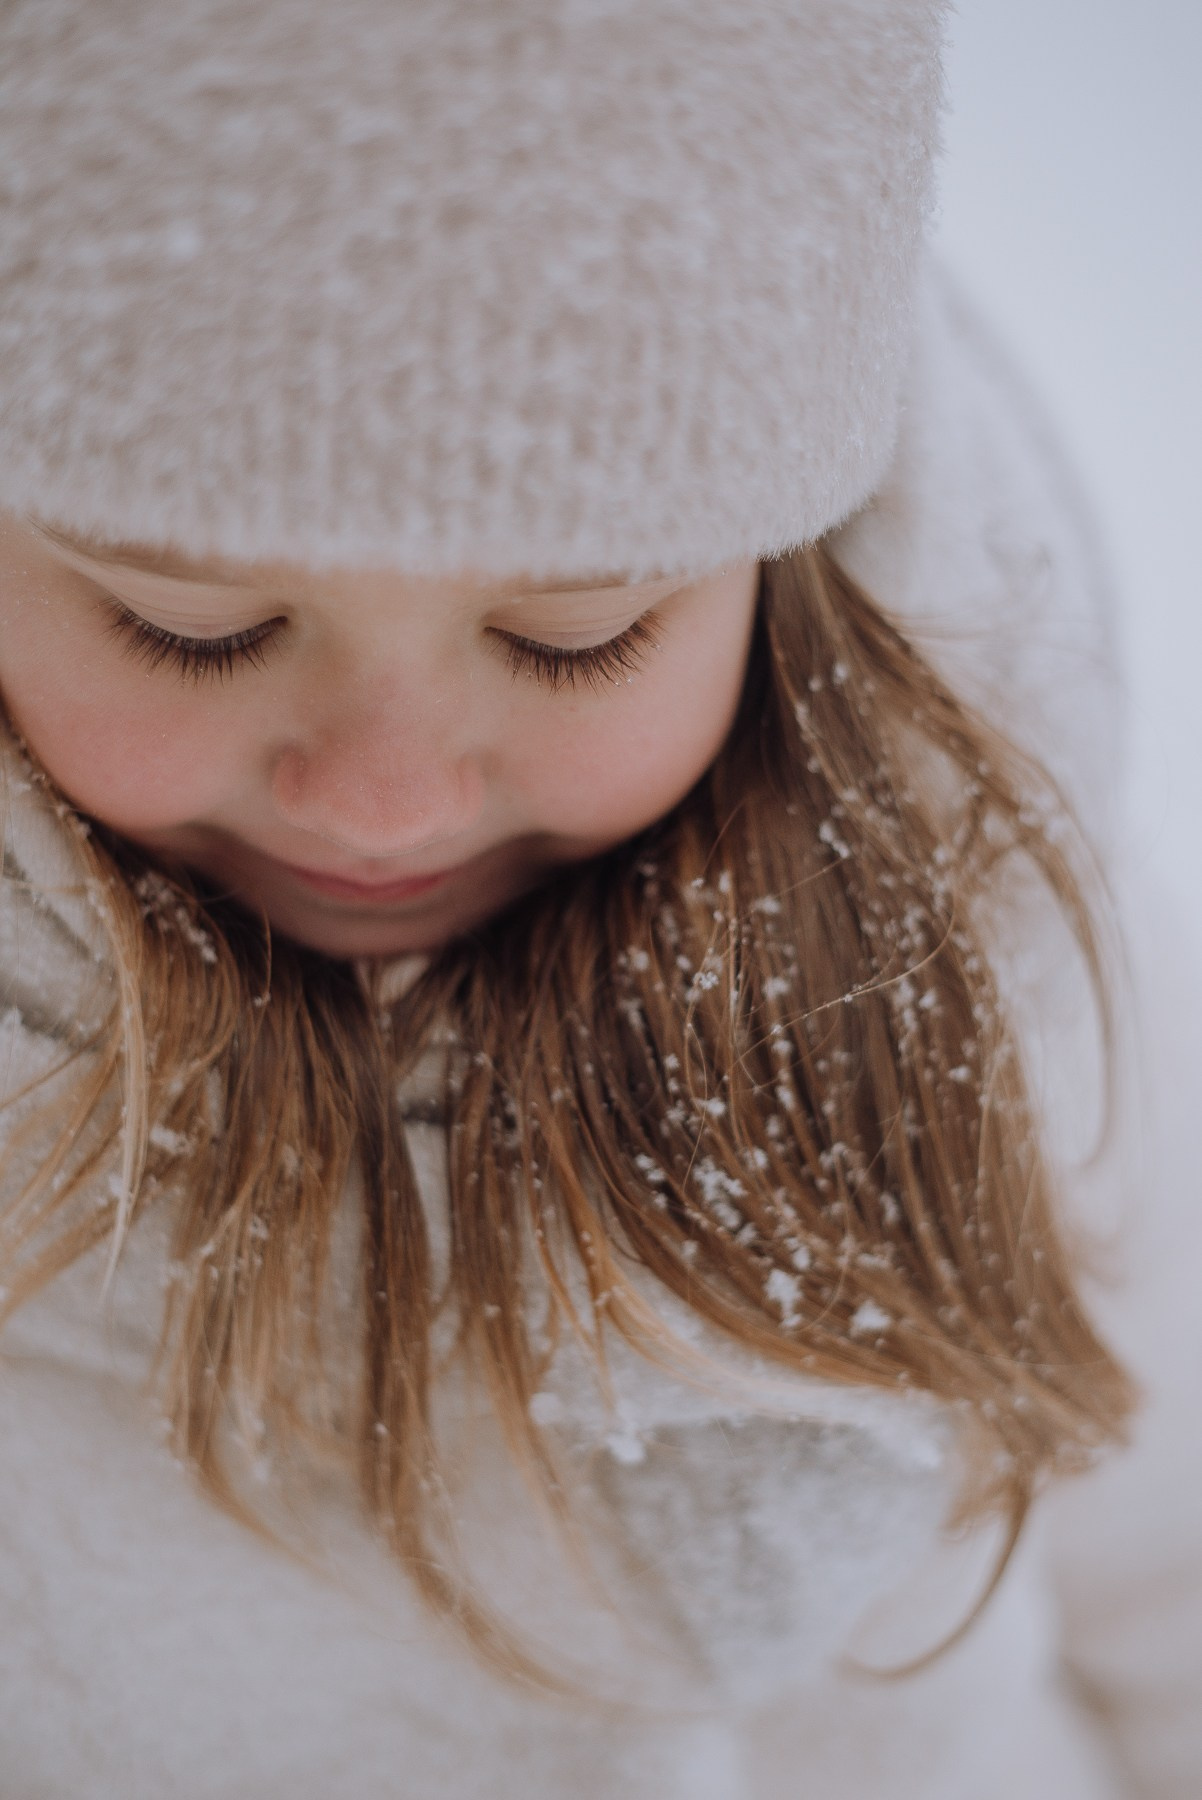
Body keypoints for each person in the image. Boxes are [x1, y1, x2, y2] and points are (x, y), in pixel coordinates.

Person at [0, 3, 1198, 1796]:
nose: (387, 798)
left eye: (577, 634)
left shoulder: (980, 923)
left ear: (779, 569)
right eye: (195, 627)